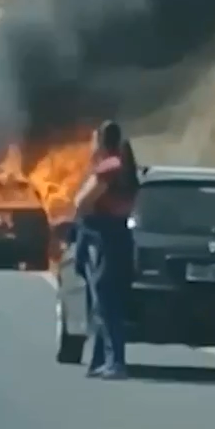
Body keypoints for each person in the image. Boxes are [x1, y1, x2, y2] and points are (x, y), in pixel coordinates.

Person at [73, 120, 139, 379]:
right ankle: (101, 359)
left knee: (106, 299)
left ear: (101, 140)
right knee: (107, 301)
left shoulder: (109, 167)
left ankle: (116, 361)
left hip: (104, 237)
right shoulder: (125, 166)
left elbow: (82, 201)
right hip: (119, 235)